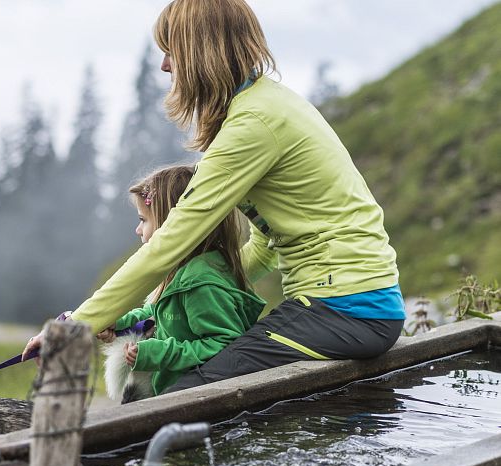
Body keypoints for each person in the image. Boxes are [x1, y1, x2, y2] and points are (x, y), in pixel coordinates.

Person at [24, 0, 405, 392]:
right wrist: (196, 290)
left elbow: (170, 243)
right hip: (354, 304)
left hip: (345, 308)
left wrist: (76, 327)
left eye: (172, 51)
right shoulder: (266, 104)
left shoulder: (252, 123)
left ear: (199, 53)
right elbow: (266, 244)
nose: (165, 66)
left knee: (184, 395)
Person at [97, 165, 265, 398]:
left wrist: (159, 352)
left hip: (200, 400)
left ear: (172, 226)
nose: (138, 230)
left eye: (143, 220)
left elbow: (225, 345)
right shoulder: (181, 272)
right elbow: (158, 311)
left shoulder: (201, 284)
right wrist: (121, 322)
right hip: (179, 395)